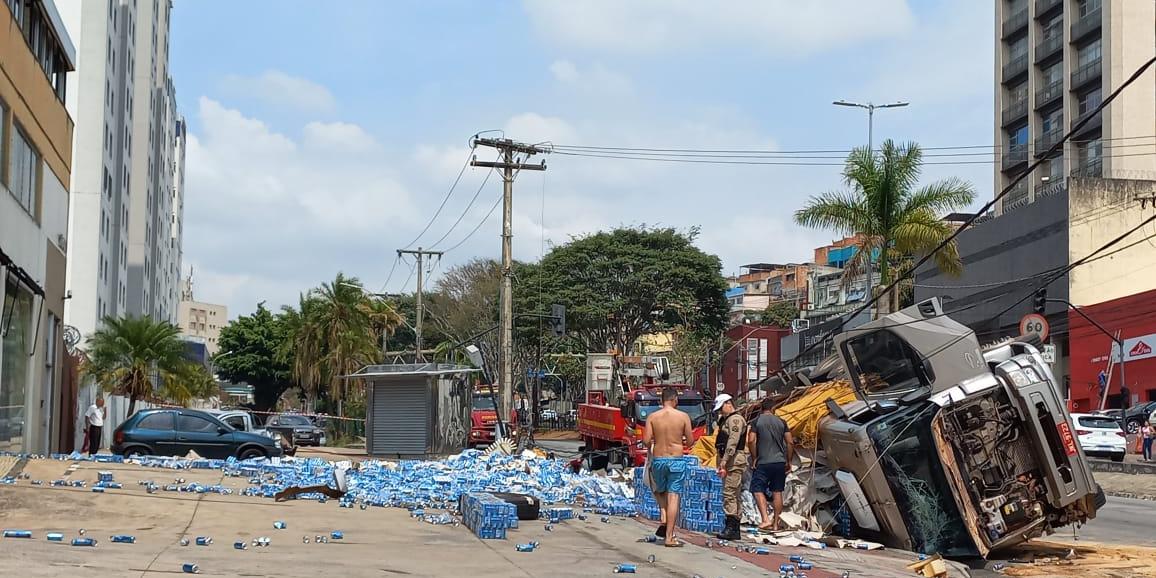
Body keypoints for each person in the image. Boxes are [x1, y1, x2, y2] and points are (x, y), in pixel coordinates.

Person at [642, 387, 694, 547]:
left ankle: (663, 516)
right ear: (675, 399)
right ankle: (670, 537)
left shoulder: (653, 417)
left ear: (661, 400)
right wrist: (681, 440)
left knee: (659, 490)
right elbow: (691, 442)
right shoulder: (683, 416)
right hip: (676, 459)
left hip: (658, 459)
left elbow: (646, 441)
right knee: (674, 496)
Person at [748, 396, 794, 531]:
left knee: (757, 489)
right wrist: (789, 460)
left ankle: (765, 519)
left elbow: (751, 440)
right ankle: (775, 524)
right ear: (773, 409)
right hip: (779, 462)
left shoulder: (757, 421)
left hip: (763, 461)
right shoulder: (782, 422)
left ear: (762, 409)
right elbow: (790, 442)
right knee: (777, 491)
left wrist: (754, 457)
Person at [712, 393, 748, 541]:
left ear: (728, 404)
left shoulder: (735, 420)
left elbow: (732, 442)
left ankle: (732, 527)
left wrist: (724, 461)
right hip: (730, 461)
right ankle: (734, 527)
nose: (720, 412)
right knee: (733, 493)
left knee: (730, 493)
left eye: (721, 408)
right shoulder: (725, 420)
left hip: (733, 461)